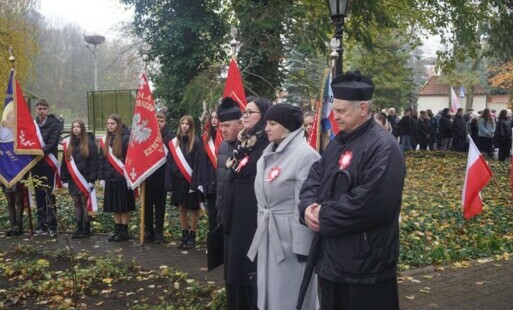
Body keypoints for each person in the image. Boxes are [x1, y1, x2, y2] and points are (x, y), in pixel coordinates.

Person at [299, 71, 406, 310]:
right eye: (334, 109)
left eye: (341, 111)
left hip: (366, 267)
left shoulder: (384, 147)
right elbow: (314, 178)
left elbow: (371, 203)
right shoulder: (338, 143)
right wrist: (306, 207)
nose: (334, 117)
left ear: (363, 109)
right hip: (332, 262)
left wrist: (323, 216)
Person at [248, 104, 320, 310]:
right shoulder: (268, 152)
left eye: (272, 124)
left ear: (287, 127)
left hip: (290, 243)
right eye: (266, 123)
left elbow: (306, 203)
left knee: (290, 297)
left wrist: (303, 249)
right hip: (269, 236)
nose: (266, 128)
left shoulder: (305, 155)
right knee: (270, 295)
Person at [224, 97, 270, 310]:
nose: (245, 116)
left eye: (250, 112)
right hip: (237, 212)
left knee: (249, 267)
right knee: (237, 265)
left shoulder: (266, 145)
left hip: (252, 214)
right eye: (245, 112)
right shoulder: (245, 142)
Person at [165, 115, 206, 249]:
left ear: (191, 126)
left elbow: (199, 164)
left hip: (191, 181)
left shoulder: (197, 142)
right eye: (182, 123)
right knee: (181, 208)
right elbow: (170, 163)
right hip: (178, 181)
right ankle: (184, 235)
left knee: (193, 209)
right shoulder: (174, 142)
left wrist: (195, 183)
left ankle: (192, 236)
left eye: (187, 124)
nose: (184, 126)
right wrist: (169, 182)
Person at [98, 114, 135, 242]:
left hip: (122, 178)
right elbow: (101, 159)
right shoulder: (105, 140)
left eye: (112, 124)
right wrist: (102, 177)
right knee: (114, 206)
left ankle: (124, 230)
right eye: (108, 124)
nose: (110, 126)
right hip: (110, 178)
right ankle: (117, 229)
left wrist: (130, 176)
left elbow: (130, 159)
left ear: (118, 124)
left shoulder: (126, 138)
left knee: (123, 206)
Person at [60, 119, 99, 238]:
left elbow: (94, 163)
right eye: (74, 127)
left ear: (82, 128)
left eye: (78, 127)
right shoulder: (68, 144)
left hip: (85, 179)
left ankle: (86, 229)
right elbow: (64, 163)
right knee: (76, 203)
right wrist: (64, 179)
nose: (76, 129)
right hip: (73, 179)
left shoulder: (90, 143)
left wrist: (92, 180)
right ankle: (79, 228)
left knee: (84, 203)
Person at [143, 108, 174, 243]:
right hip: (148, 176)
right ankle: (148, 230)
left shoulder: (170, 137)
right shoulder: (147, 136)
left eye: (162, 121)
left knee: (160, 206)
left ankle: (159, 232)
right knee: (147, 206)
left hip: (162, 177)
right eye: (157, 120)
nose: (159, 123)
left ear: (165, 122)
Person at [32, 99, 62, 237]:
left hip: (48, 163)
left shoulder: (54, 124)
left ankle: (52, 225)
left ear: (47, 110)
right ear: (36, 110)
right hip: (36, 164)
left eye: (44, 108)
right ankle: (41, 224)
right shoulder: (32, 125)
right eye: (39, 108)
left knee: (50, 195)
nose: (42, 110)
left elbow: (52, 143)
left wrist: (39, 152)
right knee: (39, 195)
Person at [203, 111, 220, 232]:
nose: (214, 120)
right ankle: (213, 244)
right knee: (212, 213)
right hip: (210, 180)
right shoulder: (206, 138)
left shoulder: (224, 136)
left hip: (221, 180)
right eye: (212, 118)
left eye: (216, 118)